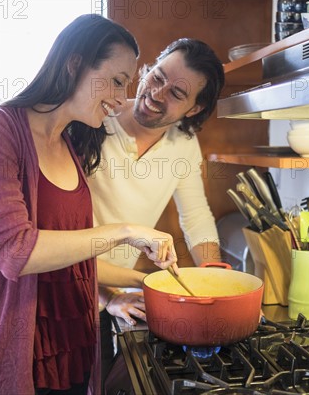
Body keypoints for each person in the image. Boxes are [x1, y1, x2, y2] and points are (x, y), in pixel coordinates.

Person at [0, 14, 179, 395]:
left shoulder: (70, 146)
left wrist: (138, 285)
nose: (122, 99)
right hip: (14, 350)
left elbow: (65, 257)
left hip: (73, 349)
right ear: (74, 63)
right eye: (118, 81)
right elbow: (14, 251)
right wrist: (125, 233)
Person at [86, 38, 225, 382]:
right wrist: (109, 295)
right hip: (73, 283)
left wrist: (212, 274)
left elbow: (195, 215)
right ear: (146, 68)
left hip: (108, 298)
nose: (157, 93)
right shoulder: (93, 122)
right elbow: (60, 224)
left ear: (193, 109)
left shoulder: (184, 143)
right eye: (158, 77)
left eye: (177, 94)